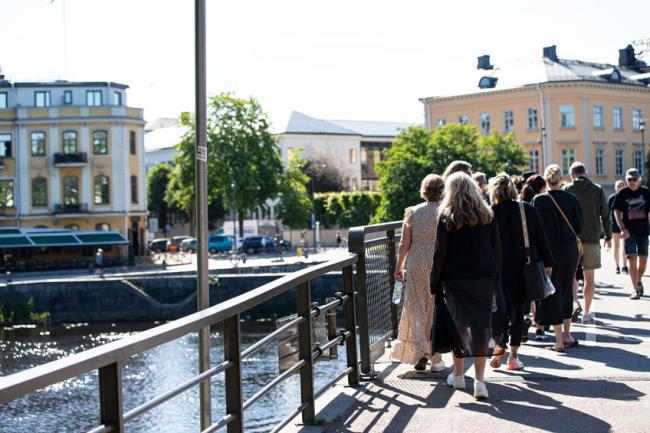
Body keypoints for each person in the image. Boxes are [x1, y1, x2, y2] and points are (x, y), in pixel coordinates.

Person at [430, 172, 501, 400]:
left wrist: (434, 282)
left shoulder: (447, 217)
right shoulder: (487, 214)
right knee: (482, 327)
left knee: (459, 326)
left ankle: (459, 376)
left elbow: (440, 253)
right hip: (483, 277)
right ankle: (480, 383)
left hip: (455, 279)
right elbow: (497, 250)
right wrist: (496, 278)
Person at [488, 173, 553, 370]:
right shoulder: (527, 210)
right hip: (523, 267)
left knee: (498, 309)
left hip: (497, 268)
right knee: (517, 310)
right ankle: (514, 356)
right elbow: (541, 238)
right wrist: (548, 263)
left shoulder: (489, 213)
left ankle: (499, 344)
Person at [392, 174, 446, 372]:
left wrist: (400, 267)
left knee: (416, 308)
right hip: (438, 262)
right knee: (436, 308)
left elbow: (404, 243)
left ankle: (419, 352)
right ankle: (434, 356)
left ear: (424, 190)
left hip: (416, 264)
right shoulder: (445, 212)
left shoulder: (413, 212)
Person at [532, 165, 584, 351]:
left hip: (548, 252)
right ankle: (567, 335)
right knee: (566, 289)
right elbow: (579, 227)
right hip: (569, 250)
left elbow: (533, 230)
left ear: (546, 180)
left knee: (551, 291)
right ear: (561, 179)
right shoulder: (571, 199)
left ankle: (558, 340)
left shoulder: (538, 201)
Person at [563, 162, 612, 324]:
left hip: (571, 239)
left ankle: (574, 303)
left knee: (570, 274)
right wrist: (608, 236)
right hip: (591, 238)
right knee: (589, 277)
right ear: (585, 173)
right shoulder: (597, 189)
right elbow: (605, 215)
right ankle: (587, 312)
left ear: (572, 175)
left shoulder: (567, 189)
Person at [613, 168, 650, 300]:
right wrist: (622, 228)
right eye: (629, 179)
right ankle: (635, 289)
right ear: (626, 180)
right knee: (632, 261)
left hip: (644, 232)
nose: (632, 182)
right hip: (629, 233)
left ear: (639, 179)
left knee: (644, 261)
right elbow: (616, 211)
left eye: (634, 179)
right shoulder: (622, 193)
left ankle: (639, 280)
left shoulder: (645, 192)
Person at [609, 180, 627, 274]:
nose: (620, 187)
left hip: (625, 225)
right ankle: (617, 266)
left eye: (622, 185)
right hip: (615, 225)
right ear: (615, 187)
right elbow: (607, 212)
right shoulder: (611, 198)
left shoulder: (626, 197)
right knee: (616, 246)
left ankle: (624, 265)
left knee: (625, 246)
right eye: (618, 186)